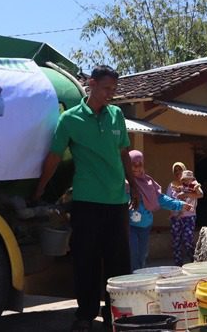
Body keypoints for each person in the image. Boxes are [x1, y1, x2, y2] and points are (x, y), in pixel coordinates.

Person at [32, 65, 138, 332]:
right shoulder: (70, 119)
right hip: (87, 202)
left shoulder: (116, 116)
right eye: (105, 89)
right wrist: (40, 189)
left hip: (116, 202)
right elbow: (55, 156)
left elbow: (124, 153)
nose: (109, 95)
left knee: (119, 264)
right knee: (86, 261)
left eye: (113, 90)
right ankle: (86, 314)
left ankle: (115, 315)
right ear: (91, 84)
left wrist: (134, 186)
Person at [128, 150, 191, 271]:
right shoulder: (125, 183)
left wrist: (179, 205)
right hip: (130, 226)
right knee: (133, 255)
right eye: (133, 164)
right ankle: (133, 279)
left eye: (139, 164)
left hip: (145, 227)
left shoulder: (148, 183)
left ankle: (140, 280)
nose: (137, 167)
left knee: (142, 255)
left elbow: (161, 199)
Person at [167, 166, 203, 265]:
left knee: (188, 239)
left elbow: (200, 194)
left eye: (180, 170)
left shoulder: (192, 184)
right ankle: (178, 264)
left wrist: (186, 194)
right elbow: (168, 200)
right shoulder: (173, 185)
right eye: (176, 171)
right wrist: (171, 213)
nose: (178, 172)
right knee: (176, 241)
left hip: (189, 215)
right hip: (176, 217)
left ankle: (194, 260)